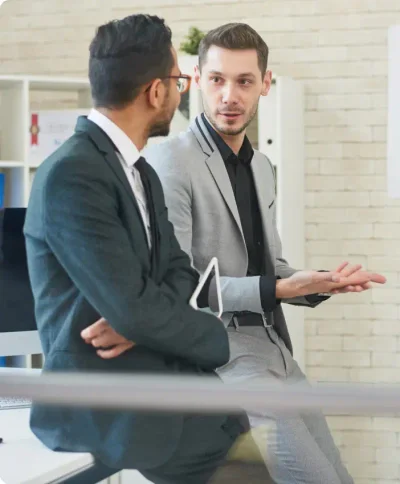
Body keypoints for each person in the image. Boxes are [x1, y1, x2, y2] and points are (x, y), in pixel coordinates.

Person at [84, 22, 386, 484]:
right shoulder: (172, 161)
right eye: (218, 80)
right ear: (198, 80)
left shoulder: (262, 167)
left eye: (244, 81)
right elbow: (176, 288)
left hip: (275, 352)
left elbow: (271, 268)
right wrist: (279, 287)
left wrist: (319, 284)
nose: (230, 95)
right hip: (225, 358)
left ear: (264, 84)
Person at [23, 14, 253, 484]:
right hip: (107, 403)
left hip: (160, 381)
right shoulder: (73, 174)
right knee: (237, 457)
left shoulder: (141, 173)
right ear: (155, 92)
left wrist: (142, 321)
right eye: (178, 80)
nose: (181, 91)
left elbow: (178, 273)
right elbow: (132, 306)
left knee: (236, 427)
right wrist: (209, 335)